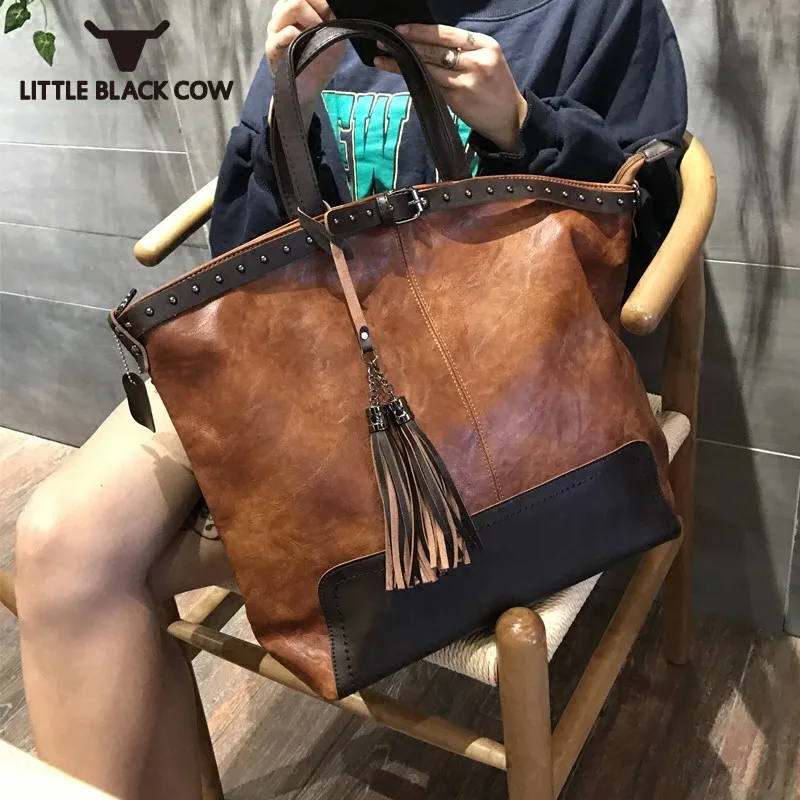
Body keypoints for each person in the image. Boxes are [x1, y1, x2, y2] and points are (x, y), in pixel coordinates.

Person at [13, 1, 687, 798]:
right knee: (59, 543)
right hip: (300, 355)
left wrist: (519, 122)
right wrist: (284, 113)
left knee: (112, 574)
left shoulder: (597, 12)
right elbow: (243, 254)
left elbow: (641, 232)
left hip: (503, 374)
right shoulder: (327, 14)